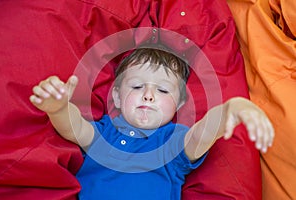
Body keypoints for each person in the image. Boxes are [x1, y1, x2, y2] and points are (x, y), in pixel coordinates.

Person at [29, 46, 274, 200]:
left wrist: (232, 108)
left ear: (179, 105)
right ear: (116, 96)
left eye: (163, 91)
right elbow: (74, 127)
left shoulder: (172, 140)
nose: (148, 95)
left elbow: (202, 134)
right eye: (137, 86)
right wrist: (59, 107)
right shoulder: (106, 132)